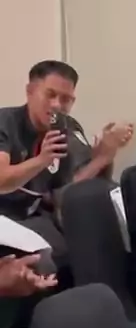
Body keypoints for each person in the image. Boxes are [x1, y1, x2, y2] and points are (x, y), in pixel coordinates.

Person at [0, 61, 77, 262]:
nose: (57, 105)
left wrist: (103, 157)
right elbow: (1, 181)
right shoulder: (5, 122)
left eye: (66, 99)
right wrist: (42, 160)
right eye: (50, 95)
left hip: (32, 217)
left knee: (73, 252)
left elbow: (62, 192)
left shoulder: (67, 130)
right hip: (4, 218)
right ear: (30, 91)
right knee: (44, 260)